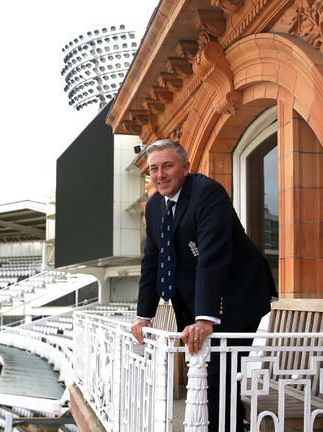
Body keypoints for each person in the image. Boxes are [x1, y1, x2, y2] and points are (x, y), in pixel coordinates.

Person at [130, 139, 277, 432]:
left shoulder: (207, 193)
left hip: (239, 292)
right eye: (154, 169)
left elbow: (213, 256)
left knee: (219, 372)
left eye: (167, 166)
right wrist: (143, 314)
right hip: (196, 296)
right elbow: (152, 260)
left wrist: (205, 317)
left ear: (185, 167)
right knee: (208, 374)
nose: (160, 175)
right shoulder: (156, 205)